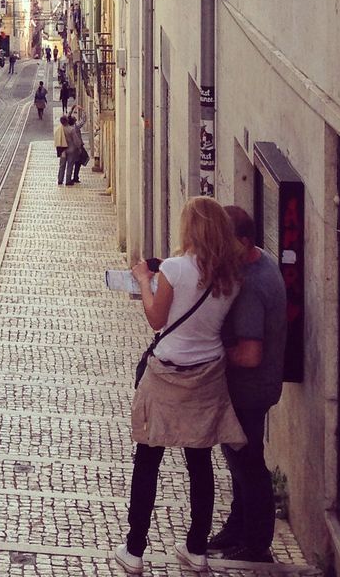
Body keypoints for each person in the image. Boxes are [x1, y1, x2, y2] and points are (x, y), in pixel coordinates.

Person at [115, 197, 246, 574]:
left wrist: (143, 280)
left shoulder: (174, 268)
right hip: (207, 375)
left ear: (190, 228)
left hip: (168, 375)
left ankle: (135, 551)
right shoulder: (232, 275)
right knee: (200, 462)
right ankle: (196, 548)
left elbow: (157, 319)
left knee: (148, 461)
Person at [208, 205, 287, 563]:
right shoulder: (258, 261)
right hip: (253, 389)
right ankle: (236, 529)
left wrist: (212, 355)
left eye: (225, 242)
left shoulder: (253, 285)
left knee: (249, 466)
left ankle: (256, 545)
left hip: (249, 391)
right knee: (240, 461)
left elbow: (250, 354)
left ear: (242, 242)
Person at [65, 117, 87, 184]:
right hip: (77, 148)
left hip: (69, 148)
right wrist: (83, 110)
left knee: (72, 163)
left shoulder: (67, 128)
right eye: (74, 118)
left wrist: (72, 108)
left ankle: (71, 178)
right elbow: (83, 120)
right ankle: (75, 177)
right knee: (78, 163)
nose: (75, 118)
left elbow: (68, 116)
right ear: (74, 121)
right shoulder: (76, 128)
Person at [55, 116, 73, 184]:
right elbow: (76, 140)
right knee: (69, 165)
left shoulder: (58, 129)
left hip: (62, 150)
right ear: (67, 121)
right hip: (71, 150)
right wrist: (79, 146)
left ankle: (60, 180)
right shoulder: (71, 129)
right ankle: (68, 180)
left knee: (62, 165)